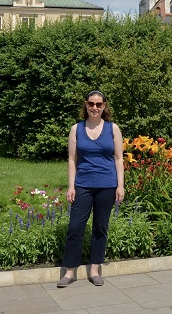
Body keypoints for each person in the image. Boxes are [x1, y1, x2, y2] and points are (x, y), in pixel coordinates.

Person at [57, 91, 124, 288]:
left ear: (104, 106)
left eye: (98, 104)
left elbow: (119, 159)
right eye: (91, 103)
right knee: (75, 228)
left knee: (100, 228)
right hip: (83, 185)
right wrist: (71, 186)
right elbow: (72, 159)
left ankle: (95, 270)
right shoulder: (76, 129)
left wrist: (120, 185)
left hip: (107, 185)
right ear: (86, 105)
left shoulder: (113, 129)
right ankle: (69, 272)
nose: (95, 107)